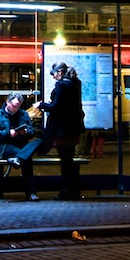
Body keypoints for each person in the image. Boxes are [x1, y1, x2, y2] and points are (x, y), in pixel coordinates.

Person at [32, 62, 86, 201]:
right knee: (69, 159)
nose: (53, 76)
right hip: (73, 128)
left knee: (65, 160)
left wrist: (41, 105)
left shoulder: (62, 85)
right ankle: (74, 190)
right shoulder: (75, 83)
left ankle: (66, 190)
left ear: (60, 72)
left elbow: (56, 106)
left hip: (62, 129)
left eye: (53, 73)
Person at [0, 92, 44, 201]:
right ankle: (31, 192)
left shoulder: (23, 114)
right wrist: (8, 133)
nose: (16, 109)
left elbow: (32, 131)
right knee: (27, 159)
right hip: (5, 145)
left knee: (39, 141)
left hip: (21, 144)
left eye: (18, 106)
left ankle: (18, 158)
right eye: (14, 106)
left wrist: (26, 132)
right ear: (7, 102)